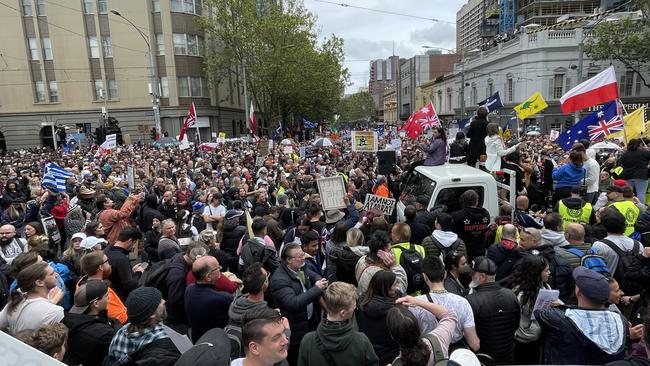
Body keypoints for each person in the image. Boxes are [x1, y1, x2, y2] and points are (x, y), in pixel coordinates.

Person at [536, 267, 628, 364]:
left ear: (578, 292)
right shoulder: (620, 319)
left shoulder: (557, 318)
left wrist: (563, 308)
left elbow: (538, 312)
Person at [269, 243, 327, 366]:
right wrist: (316, 289)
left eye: (303, 255)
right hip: (295, 329)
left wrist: (317, 280)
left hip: (308, 321)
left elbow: (312, 274)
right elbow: (293, 304)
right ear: (288, 260)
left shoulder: (298, 266)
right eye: (299, 256)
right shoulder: (279, 280)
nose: (303, 258)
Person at [298, 281, 378, 366]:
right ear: (343, 313)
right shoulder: (361, 341)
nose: (355, 308)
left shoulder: (307, 341)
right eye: (353, 307)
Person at [416, 256, 480, 351]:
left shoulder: (416, 304)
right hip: (456, 355)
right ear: (445, 274)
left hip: (429, 356)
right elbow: (474, 344)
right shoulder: (462, 302)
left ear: (424, 276)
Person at [105, 287, 181, 365]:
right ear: (152, 315)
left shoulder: (120, 333)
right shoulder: (165, 339)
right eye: (160, 302)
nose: (164, 301)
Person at [466, 256, 520, 365]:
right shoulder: (511, 295)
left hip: (483, 359)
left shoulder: (471, 301)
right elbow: (515, 325)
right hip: (507, 357)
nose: (470, 275)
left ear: (482, 276)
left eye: (472, 273)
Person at [386, 296, 458, 365]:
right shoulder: (438, 340)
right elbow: (450, 315)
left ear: (392, 336)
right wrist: (418, 302)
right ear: (417, 327)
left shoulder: (397, 363)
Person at [62, 280, 120, 366]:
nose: (109, 299)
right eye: (107, 296)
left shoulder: (66, 318)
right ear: (96, 303)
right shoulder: (104, 333)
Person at [0, 262, 64, 336]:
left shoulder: (17, 299)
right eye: (52, 274)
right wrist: (51, 305)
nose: (56, 275)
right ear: (39, 282)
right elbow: (53, 343)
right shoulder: (55, 312)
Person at [509, 254, 551, 364]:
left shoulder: (546, 287)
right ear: (536, 273)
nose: (549, 273)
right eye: (546, 271)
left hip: (538, 335)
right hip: (521, 338)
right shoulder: (519, 294)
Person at [185, 255, 234, 341]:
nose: (220, 269)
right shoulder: (222, 299)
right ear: (208, 277)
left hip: (197, 339)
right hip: (216, 342)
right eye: (217, 268)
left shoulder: (189, 289)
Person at [356, 270, 399, 365]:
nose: (397, 288)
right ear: (386, 288)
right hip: (390, 356)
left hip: (368, 354)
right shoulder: (393, 311)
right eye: (395, 285)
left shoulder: (362, 304)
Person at [163, 243, 207, 334]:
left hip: (176, 313)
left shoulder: (181, 256)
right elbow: (175, 300)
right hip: (176, 318)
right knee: (182, 343)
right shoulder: (178, 276)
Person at [78, 250, 128, 324]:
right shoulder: (102, 293)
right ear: (100, 267)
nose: (110, 264)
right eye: (107, 261)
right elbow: (120, 318)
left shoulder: (81, 283)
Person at [356, 231, 408, 299]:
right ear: (381, 254)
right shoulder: (382, 273)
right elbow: (400, 290)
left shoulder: (361, 260)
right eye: (389, 250)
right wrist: (395, 266)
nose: (392, 252)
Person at [105, 227, 145, 301]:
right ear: (130, 241)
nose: (133, 247)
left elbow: (117, 273)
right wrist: (139, 272)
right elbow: (129, 285)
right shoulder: (121, 258)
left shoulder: (107, 249)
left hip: (109, 294)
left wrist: (130, 271)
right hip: (120, 298)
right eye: (134, 243)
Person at [451, 190, 490, 261]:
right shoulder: (485, 214)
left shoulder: (457, 215)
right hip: (480, 251)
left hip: (464, 252)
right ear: (477, 201)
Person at [619, 138, 650, 205]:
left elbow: (621, 163)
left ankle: (629, 207)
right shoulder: (644, 152)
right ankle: (641, 209)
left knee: (628, 194)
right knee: (641, 194)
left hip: (628, 176)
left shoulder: (625, 154)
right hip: (641, 176)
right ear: (639, 145)